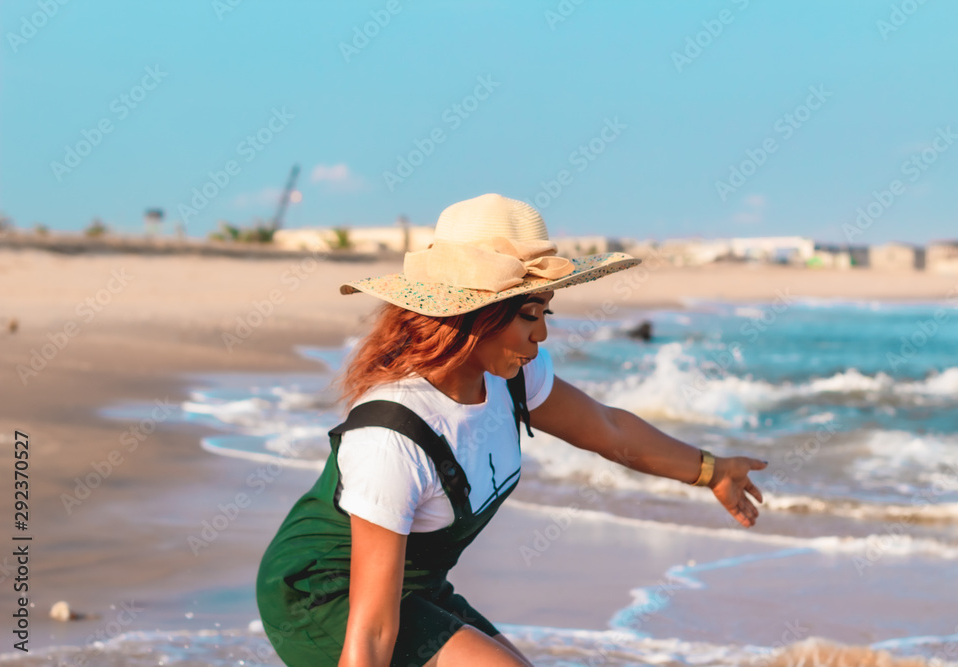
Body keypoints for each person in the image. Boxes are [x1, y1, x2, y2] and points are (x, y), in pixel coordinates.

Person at [256, 193, 767, 667]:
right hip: (324, 595)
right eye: (528, 314)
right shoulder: (391, 436)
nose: (542, 334)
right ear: (475, 314)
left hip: (417, 584)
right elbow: (370, 634)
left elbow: (608, 429)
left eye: (545, 312)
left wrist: (712, 471)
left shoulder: (512, 375)